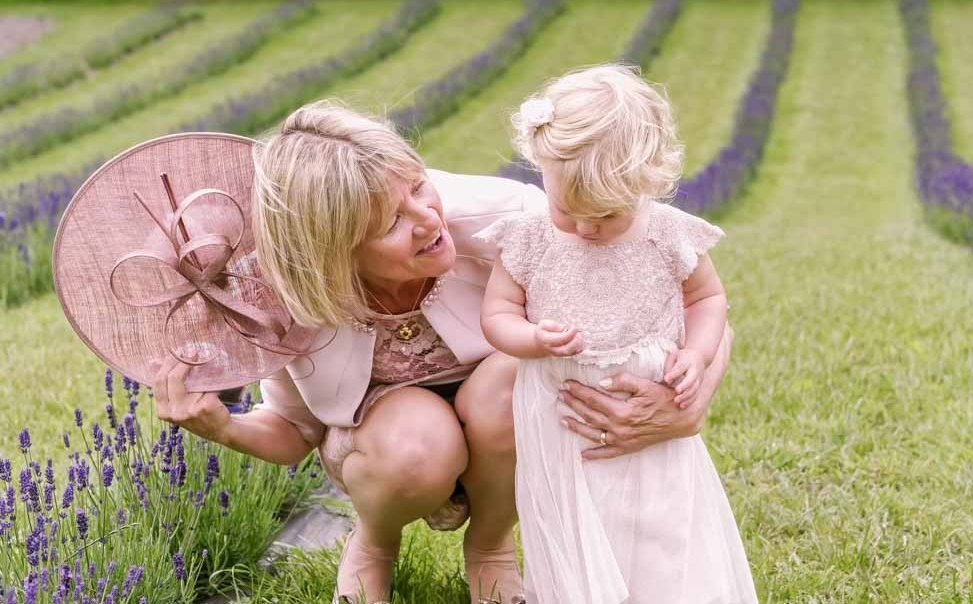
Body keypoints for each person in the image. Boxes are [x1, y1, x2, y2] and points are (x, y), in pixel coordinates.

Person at [149, 99, 736, 604]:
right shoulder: (292, 296)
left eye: (417, 186)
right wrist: (221, 426)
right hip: (391, 444)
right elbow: (291, 431)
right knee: (417, 442)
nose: (428, 217)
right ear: (334, 254)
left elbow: (684, 299)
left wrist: (690, 403)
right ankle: (375, 541)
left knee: (507, 383)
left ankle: (490, 542)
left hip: (503, 419)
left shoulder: (513, 222)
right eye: (391, 224)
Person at [478, 65, 757, 603]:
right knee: (571, 521)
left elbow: (707, 299)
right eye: (567, 209)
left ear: (645, 185)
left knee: (658, 520)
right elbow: (498, 315)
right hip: (560, 414)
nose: (585, 228)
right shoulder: (529, 237)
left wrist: (697, 356)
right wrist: (531, 338)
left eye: (606, 215)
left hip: (650, 395)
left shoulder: (668, 233)